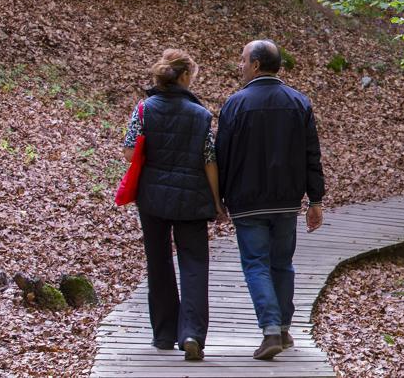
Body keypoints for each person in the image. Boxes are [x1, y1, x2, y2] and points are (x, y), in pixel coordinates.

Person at [215, 39, 325, 360]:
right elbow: (311, 155)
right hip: (286, 201)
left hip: (247, 202)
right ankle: (284, 328)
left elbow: (222, 155)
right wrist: (314, 199)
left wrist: (218, 198)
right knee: (282, 264)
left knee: (255, 265)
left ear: (257, 65)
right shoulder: (299, 103)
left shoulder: (234, 104)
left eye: (243, 60)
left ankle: (271, 330)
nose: (240, 65)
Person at [122, 49, 222, 362]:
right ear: (183, 77)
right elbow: (209, 160)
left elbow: (128, 152)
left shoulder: (143, 109)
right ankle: (191, 333)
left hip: (152, 197)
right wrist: (217, 201)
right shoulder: (201, 115)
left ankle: (164, 334)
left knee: (159, 261)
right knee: (194, 264)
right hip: (192, 198)